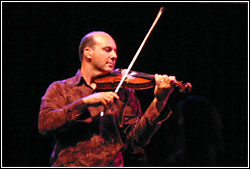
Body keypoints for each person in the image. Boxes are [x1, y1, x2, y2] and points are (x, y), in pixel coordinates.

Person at [38, 31, 176, 167]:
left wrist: (159, 101)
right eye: (107, 50)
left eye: (115, 51)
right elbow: (45, 124)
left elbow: (137, 139)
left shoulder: (124, 93)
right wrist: (85, 103)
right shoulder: (61, 88)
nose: (114, 56)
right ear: (88, 53)